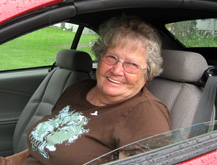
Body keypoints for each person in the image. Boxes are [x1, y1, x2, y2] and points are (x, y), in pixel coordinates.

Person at [0, 15, 171, 165]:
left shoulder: (146, 114)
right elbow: (43, 146)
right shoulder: (78, 89)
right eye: (111, 57)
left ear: (148, 73)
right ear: (100, 56)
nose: (117, 70)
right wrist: (8, 162)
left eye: (132, 64)